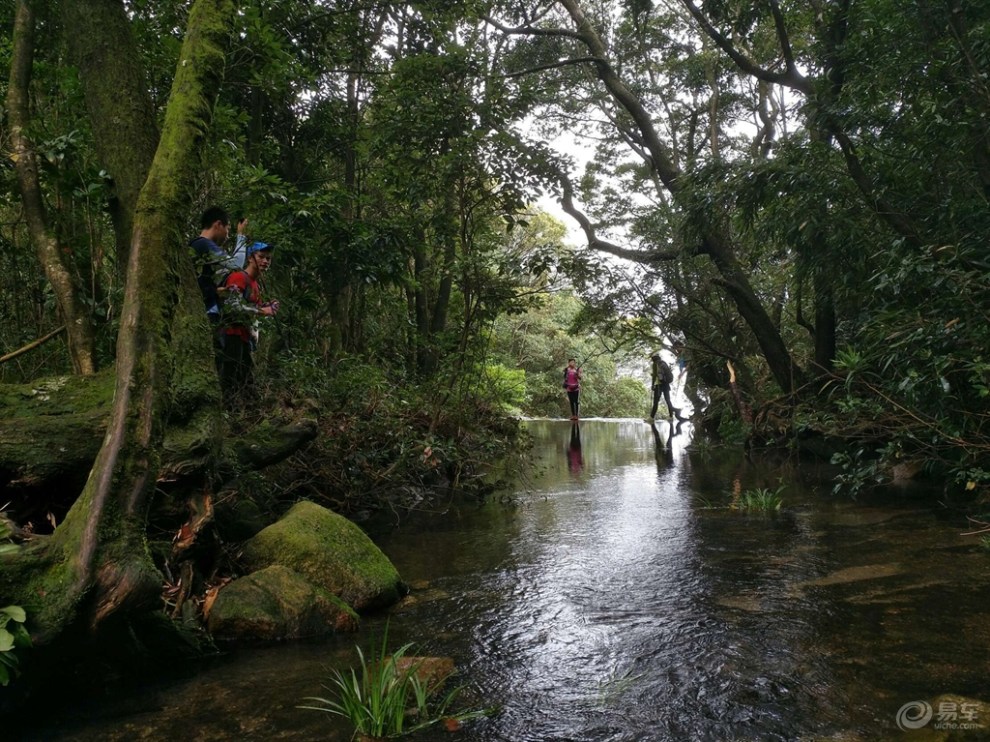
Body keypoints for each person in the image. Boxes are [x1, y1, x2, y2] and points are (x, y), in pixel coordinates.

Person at [218, 241, 280, 404]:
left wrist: (264, 308)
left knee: (246, 379)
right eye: (261, 257)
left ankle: (247, 412)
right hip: (230, 335)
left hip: (244, 338)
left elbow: (250, 308)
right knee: (230, 378)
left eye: (268, 258)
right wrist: (261, 311)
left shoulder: (255, 284)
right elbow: (232, 307)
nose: (265, 261)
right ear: (251, 258)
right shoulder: (238, 277)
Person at [189, 206, 248, 325]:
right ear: (218, 224)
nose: (227, 235)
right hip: (203, 311)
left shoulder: (201, 246)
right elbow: (236, 264)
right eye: (227, 228)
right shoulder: (203, 244)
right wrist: (241, 236)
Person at [649, 351, 681, 421]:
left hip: (659, 385)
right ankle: (671, 417)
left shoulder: (655, 364)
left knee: (655, 402)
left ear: (653, 359)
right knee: (668, 400)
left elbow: (654, 376)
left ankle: (651, 418)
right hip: (666, 384)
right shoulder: (663, 362)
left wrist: (652, 385)